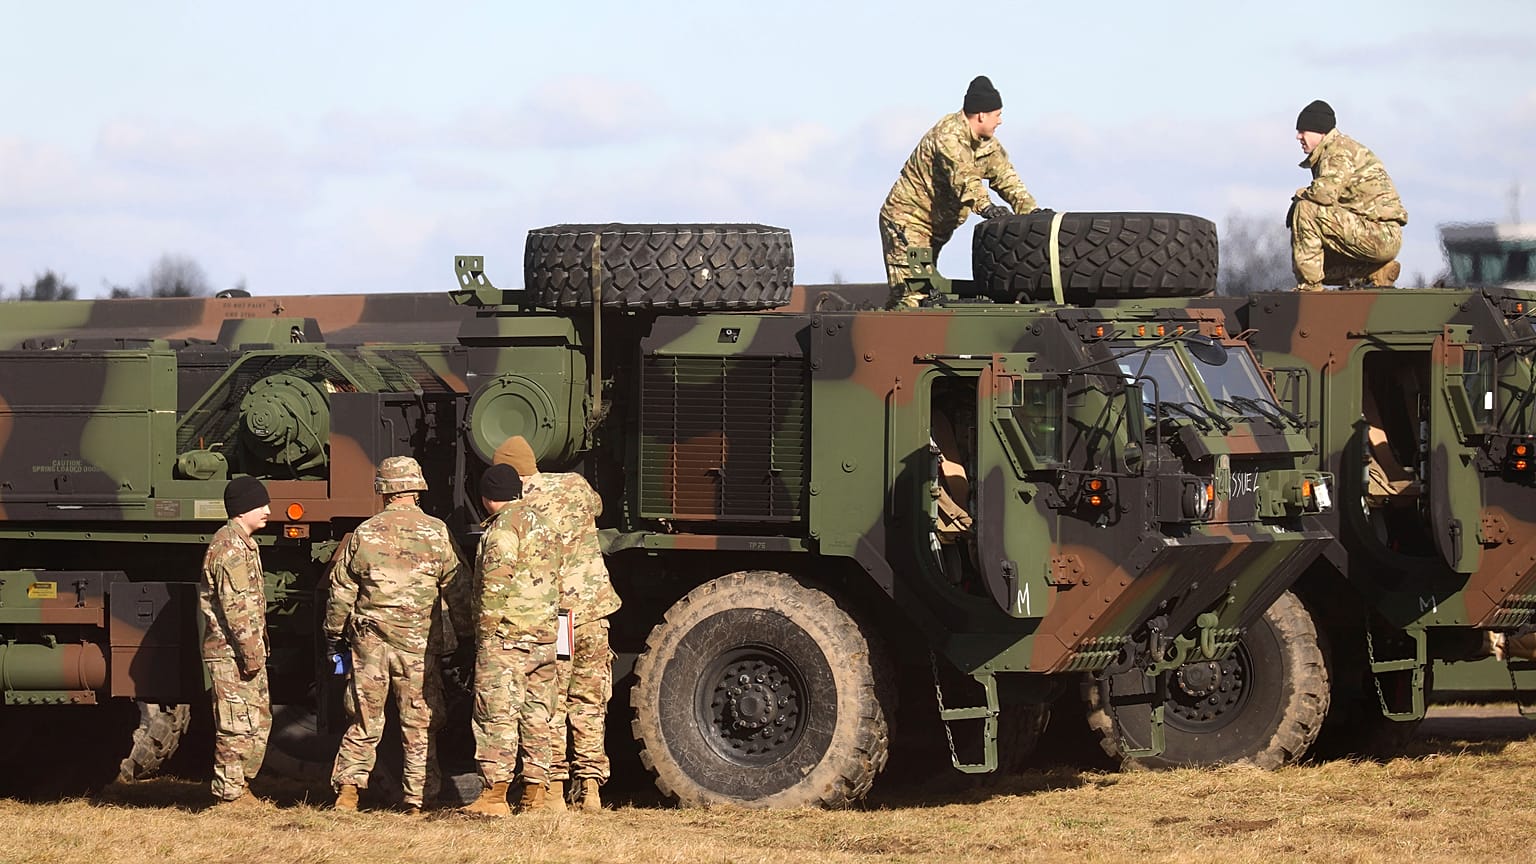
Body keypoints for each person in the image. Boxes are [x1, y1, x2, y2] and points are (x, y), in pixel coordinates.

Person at [325, 456, 469, 814]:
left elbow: (341, 589)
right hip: (418, 647)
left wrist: (334, 633)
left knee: (363, 717)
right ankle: (418, 799)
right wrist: (466, 635)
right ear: (417, 488)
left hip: (370, 643)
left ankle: (348, 793)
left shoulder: (365, 532)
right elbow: (458, 587)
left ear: (384, 490)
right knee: (419, 721)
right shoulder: (436, 532)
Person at [494, 436, 621, 812]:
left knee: (552, 701)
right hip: (594, 612)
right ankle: (591, 787)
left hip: (559, 617)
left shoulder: (517, 507)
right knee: (590, 700)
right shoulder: (574, 485)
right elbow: (597, 505)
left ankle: (552, 788)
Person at [879, 75, 1039, 308]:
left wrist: (1032, 212)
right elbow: (963, 176)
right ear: (982, 115)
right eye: (997, 115)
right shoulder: (948, 135)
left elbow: (1006, 178)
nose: (1000, 121)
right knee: (912, 296)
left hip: (936, 228)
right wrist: (986, 206)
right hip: (907, 221)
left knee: (925, 295)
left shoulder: (987, 144)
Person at [461, 463, 566, 816]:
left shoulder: (502, 530)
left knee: (496, 714)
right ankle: (535, 794)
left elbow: (495, 584)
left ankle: (494, 796)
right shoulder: (546, 525)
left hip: (507, 637)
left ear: (487, 498)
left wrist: (485, 636)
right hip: (543, 637)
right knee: (538, 714)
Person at [199, 476, 273, 806]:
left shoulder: (242, 542)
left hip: (244, 652)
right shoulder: (229, 547)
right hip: (232, 654)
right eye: (261, 505)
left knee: (257, 719)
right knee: (234, 723)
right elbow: (236, 609)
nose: (268, 510)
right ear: (242, 510)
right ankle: (229, 795)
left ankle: (241, 786)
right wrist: (251, 654)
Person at [1290, 99, 1408, 292]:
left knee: (1305, 209)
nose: (1298, 137)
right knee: (1323, 268)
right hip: (1378, 234)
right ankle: (1376, 271)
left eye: (1303, 131)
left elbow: (1325, 194)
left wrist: (1301, 195)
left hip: (1378, 233)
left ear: (1320, 131)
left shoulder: (1338, 151)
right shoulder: (1335, 149)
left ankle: (1309, 289)